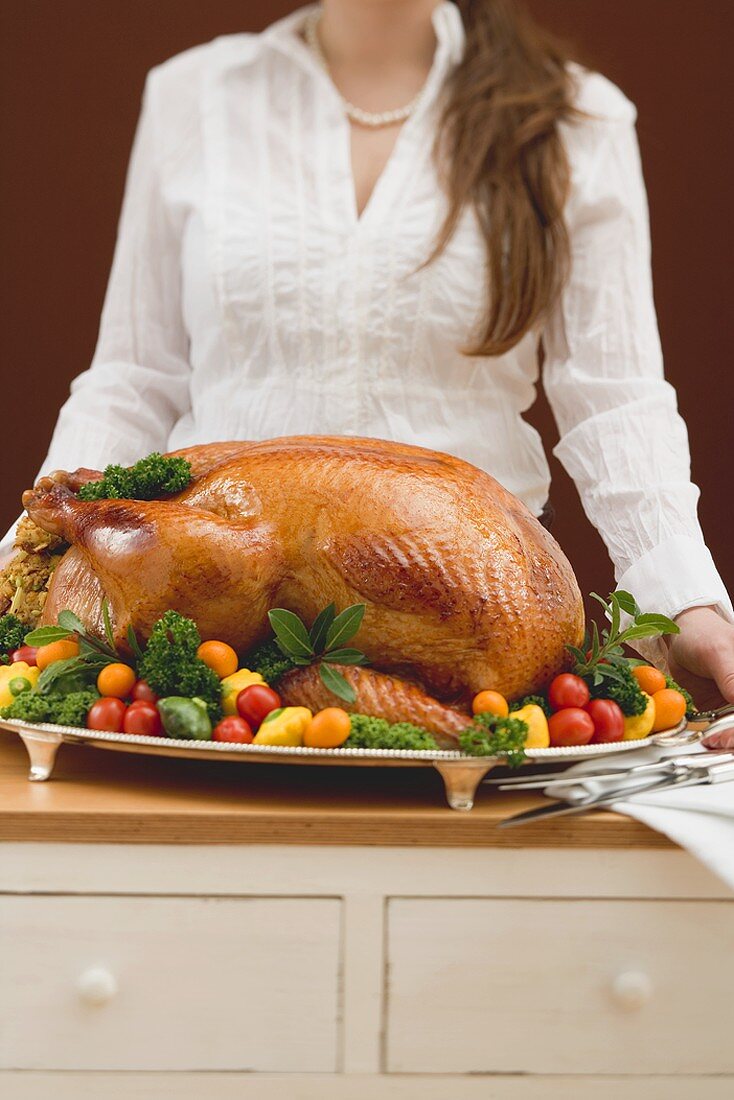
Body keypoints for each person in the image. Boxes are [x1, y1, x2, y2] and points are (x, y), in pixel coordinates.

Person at [7, 0, 734, 707]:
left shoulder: (574, 117)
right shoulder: (193, 95)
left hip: (467, 618)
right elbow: (135, 377)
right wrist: (27, 557)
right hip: (209, 627)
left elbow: (613, 393)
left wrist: (686, 601)